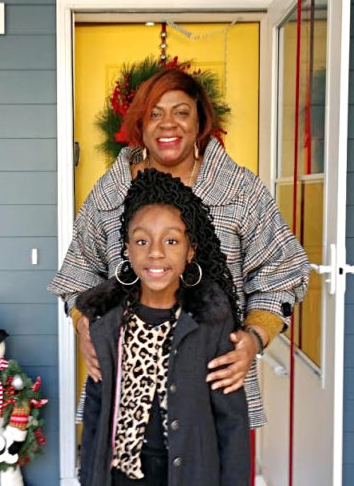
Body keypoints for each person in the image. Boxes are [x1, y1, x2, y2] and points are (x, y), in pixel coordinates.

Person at [48, 68, 309, 431]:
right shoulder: (111, 193)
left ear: (200, 120)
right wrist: (85, 329)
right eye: (155, 113)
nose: (167, 124)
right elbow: (78, 276)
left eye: (181, 112)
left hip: (214, 388)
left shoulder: (240, 192)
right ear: (141, 123)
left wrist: (253, 340)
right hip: (124, 387)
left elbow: (282, 275)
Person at [77, 168, 250, 485]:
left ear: (190, 250)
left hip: (189, 472)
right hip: (121, 475)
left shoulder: (211, 318)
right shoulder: (107, 319)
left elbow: (232, 420)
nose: (156, 252)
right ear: (127, 250)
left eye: (171, 240)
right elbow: (95, 411)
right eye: (142, 240)